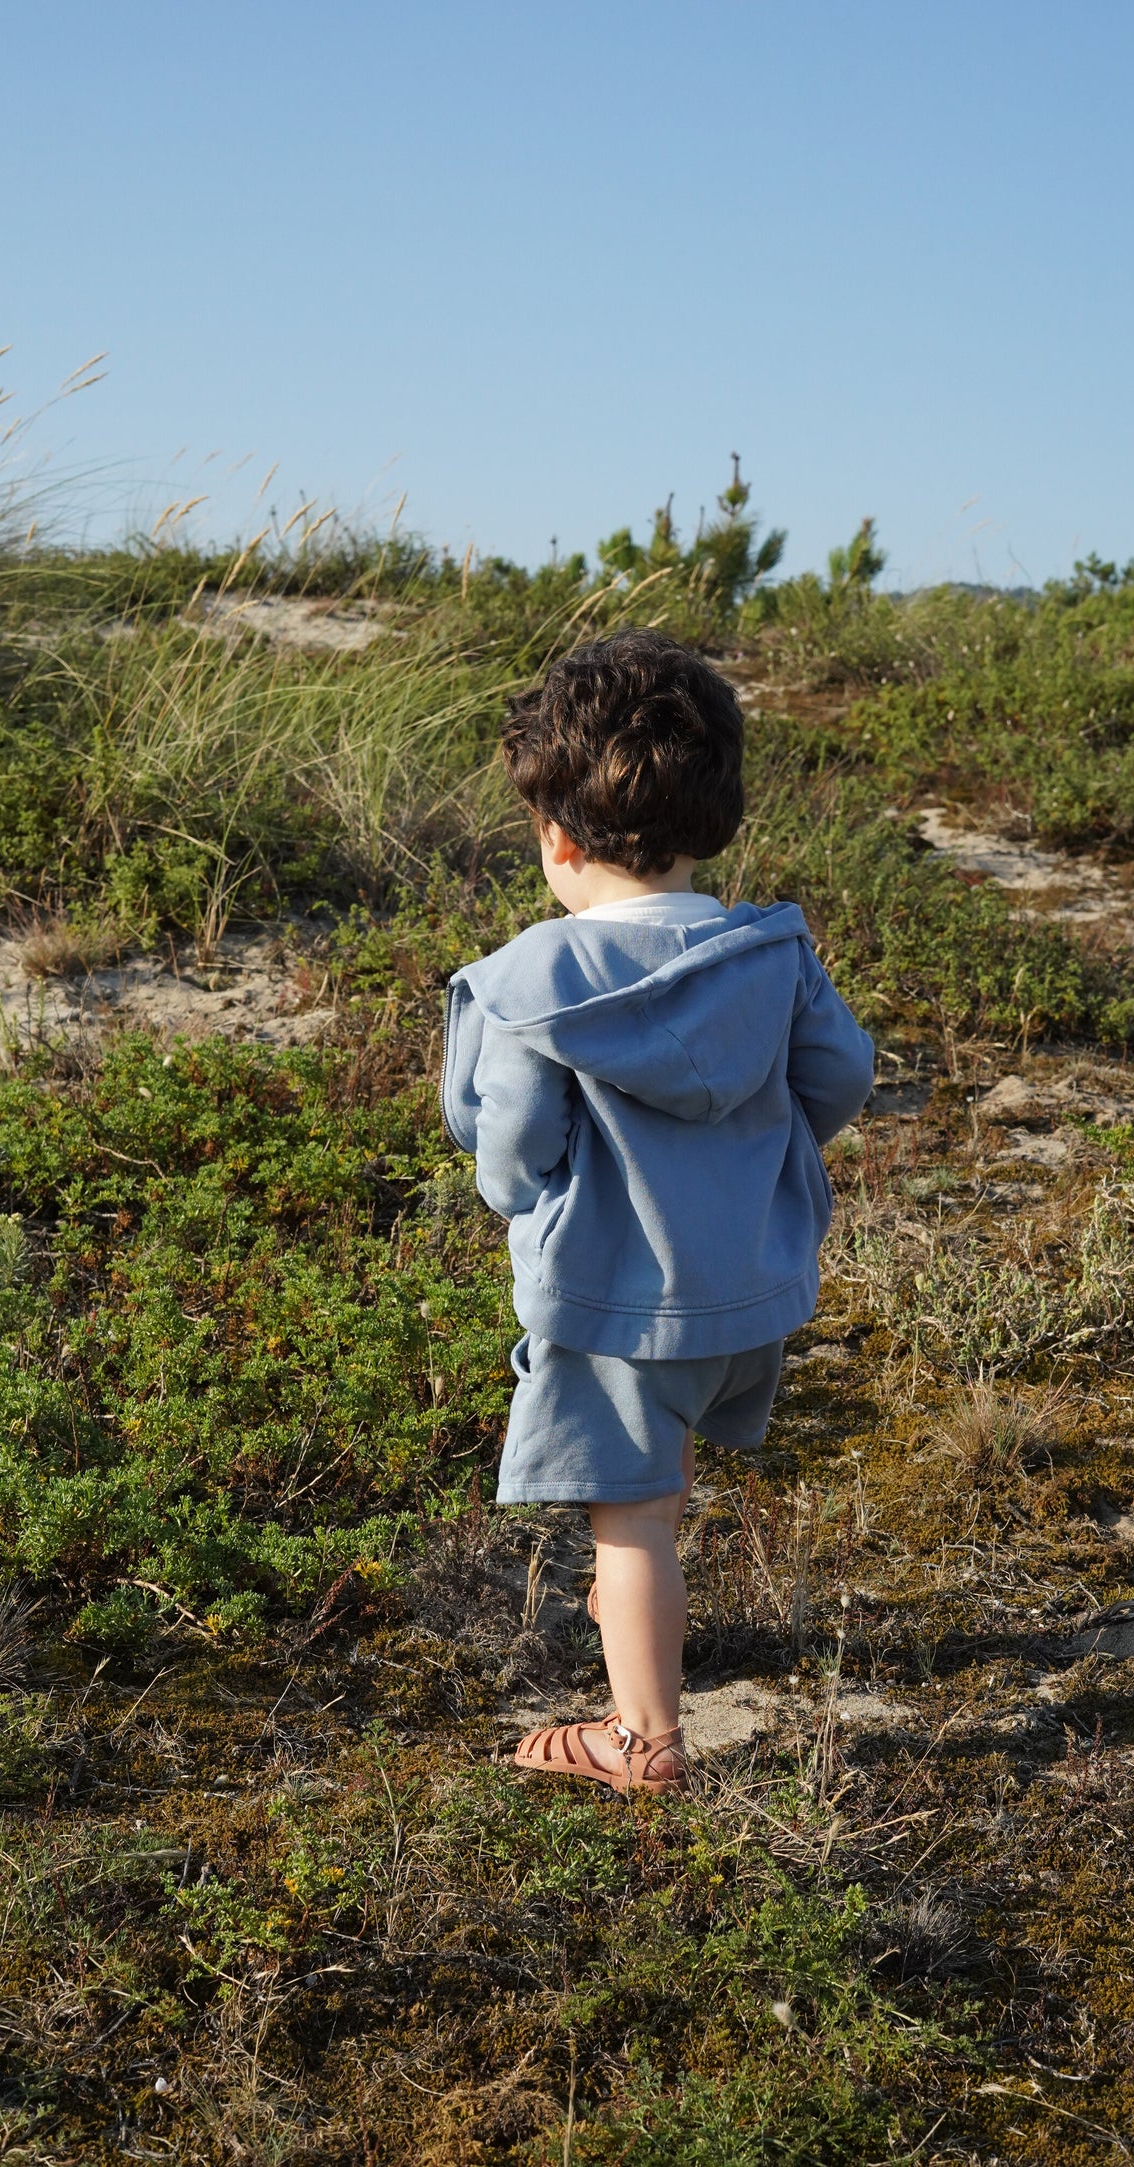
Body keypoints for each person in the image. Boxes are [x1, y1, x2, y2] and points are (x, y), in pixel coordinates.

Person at [440, 628, 875, 1795]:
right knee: (656, 1482)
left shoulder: (533, 983)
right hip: (749, 1294)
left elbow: (513, 1148)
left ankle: (646, 1742)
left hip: (615, 1307)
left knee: (627, 1527)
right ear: (708, 820)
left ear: (557, 836)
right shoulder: (771, 950)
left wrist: (522, 1202)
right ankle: (640, 1611)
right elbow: (837, 1080)